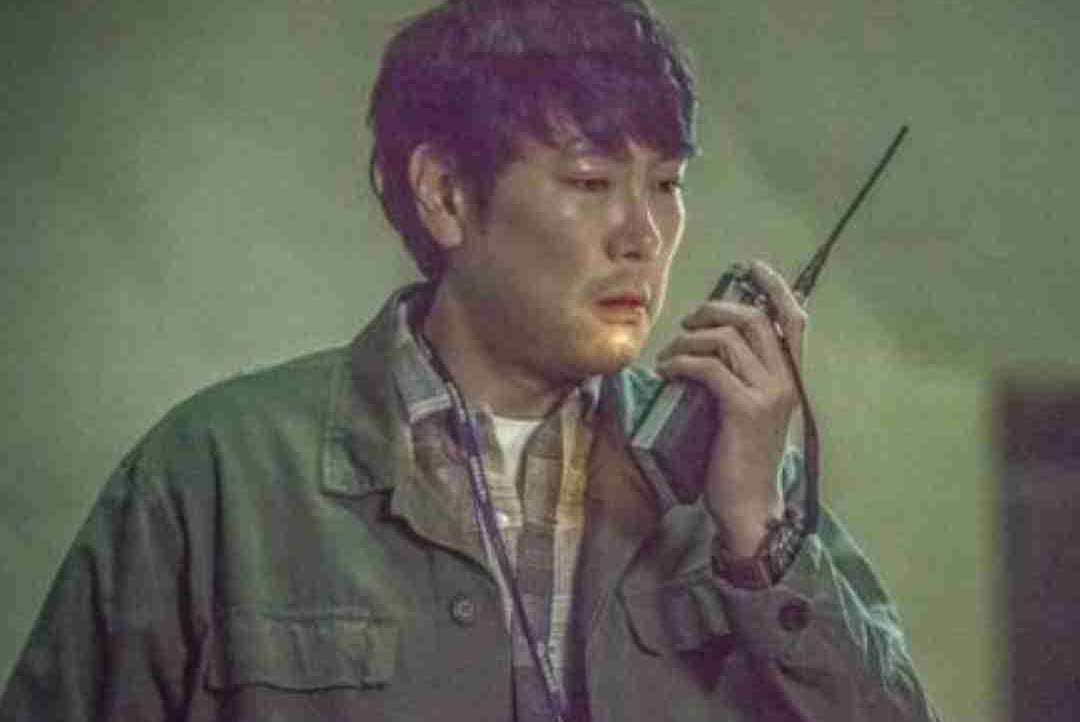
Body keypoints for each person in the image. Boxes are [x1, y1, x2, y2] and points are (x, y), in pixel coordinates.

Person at [0, 0, 941, 720]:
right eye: (590, 181)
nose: (644, 235)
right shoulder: (216, 475)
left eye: (667, 184)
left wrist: (758, 538)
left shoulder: (738, 487)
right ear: (446, 194)